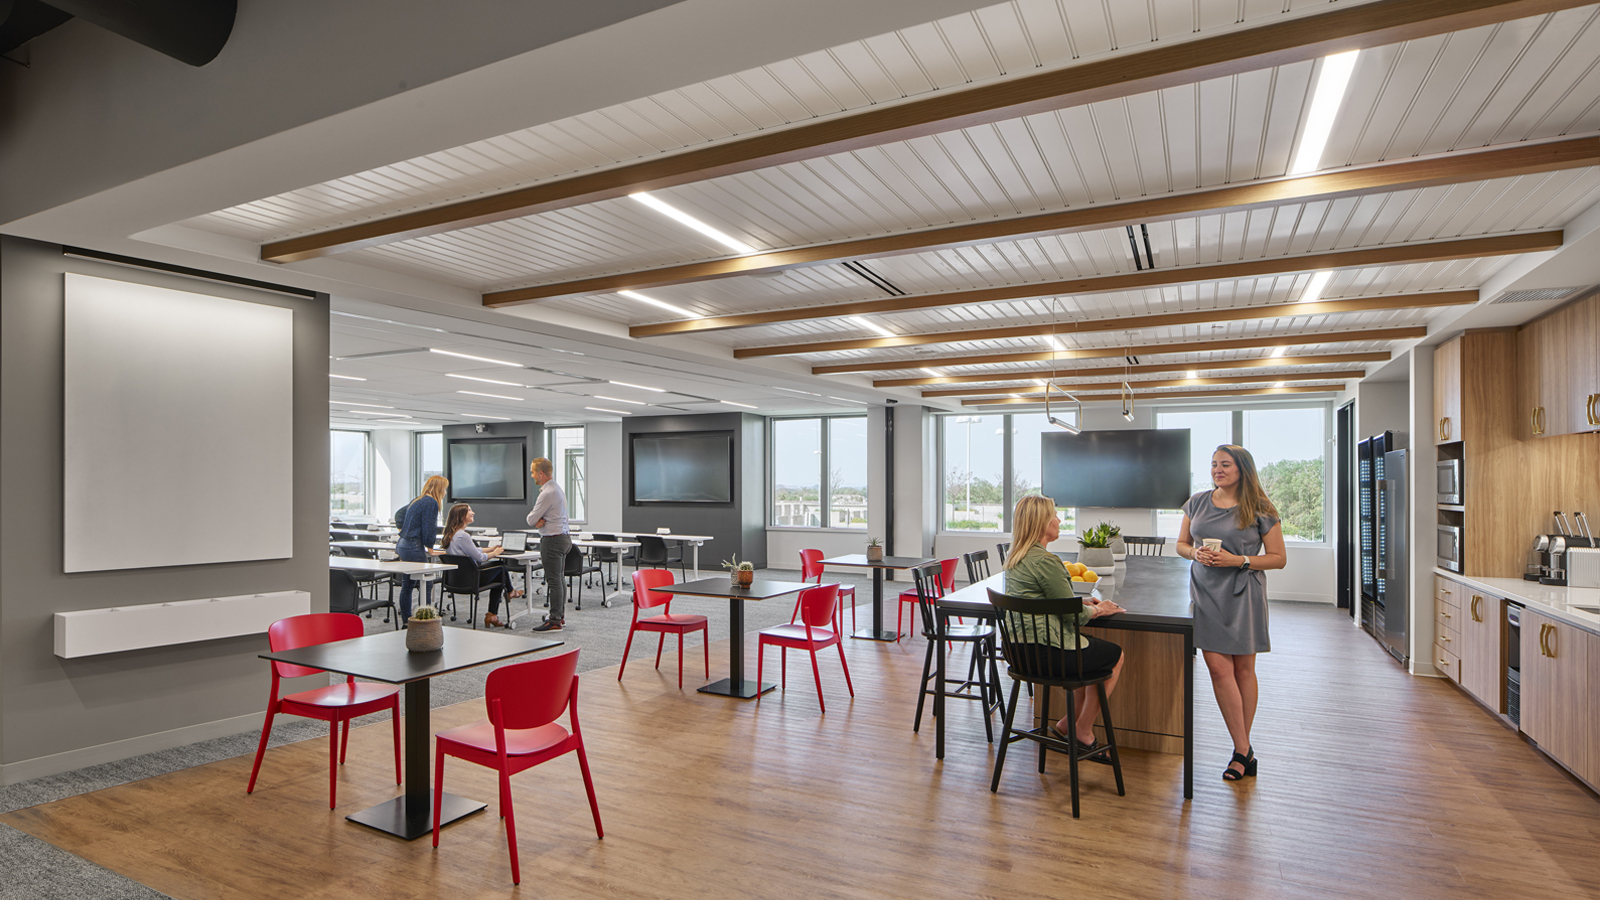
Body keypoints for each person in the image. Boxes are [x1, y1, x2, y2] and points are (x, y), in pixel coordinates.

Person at [1176, 444, 1287, 782]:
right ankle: (1243, 750)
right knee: (1218, 669)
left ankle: (1242, 750)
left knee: (1243, 670)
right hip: (1206, 594)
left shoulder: (1261, 507)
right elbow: (1180, 544)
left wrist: (1238, 560)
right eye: (1213, 465)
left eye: (1225, 465)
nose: (1217, 470)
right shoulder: (1196, 502)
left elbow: (1278, 557)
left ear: (1242, 469)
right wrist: (1196, 554)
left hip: (1243, 595)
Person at [1002, 494, 1125, 758]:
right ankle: (1082, 728)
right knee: (1115, 655)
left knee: (1084, 651)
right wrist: (1096, 609)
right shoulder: (1047, 561)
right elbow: (1074, 618)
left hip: (1018, 654)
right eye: (1054, 515)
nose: (1058, 520)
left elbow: (1045, 600)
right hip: (1046, 654)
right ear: (1040, 522)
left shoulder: (1015, 558)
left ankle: (1068, 724)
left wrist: (1078, 602)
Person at [440, 503, 522, 628]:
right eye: (469, 511)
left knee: (500, 574)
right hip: (471, 580)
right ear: (462, 516)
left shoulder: (452, 535)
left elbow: (473, 551)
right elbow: (480, 558)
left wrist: (491, 549)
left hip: (455, 580)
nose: (473, 513)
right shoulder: (463, 536)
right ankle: (508, 595)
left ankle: (493, 614)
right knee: (501, 566)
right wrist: (495, 553)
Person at [526, 457, 570, 633]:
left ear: (541, 473)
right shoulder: (556, 489)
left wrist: (537, 521)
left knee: (554, 581)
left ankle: (554, 620)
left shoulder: (547, 493)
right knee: (559, 579)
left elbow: (530, 519)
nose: (532, 475)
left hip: (552, 540)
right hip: (563, 538)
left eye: (533, 472)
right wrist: (539, 520)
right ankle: (559, 616)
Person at [395, 475, 448, 620]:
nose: (445, 492)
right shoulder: (431, 502)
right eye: (445, 489)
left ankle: (407, 621)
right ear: (439, 488)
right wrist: (430, 547)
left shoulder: (417, 500)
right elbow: (429, 528)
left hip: (403, 544)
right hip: (413, 546)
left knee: (407, 585)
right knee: (427, 584)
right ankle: (424, 622)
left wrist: (406, 530)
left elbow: (399, 516)